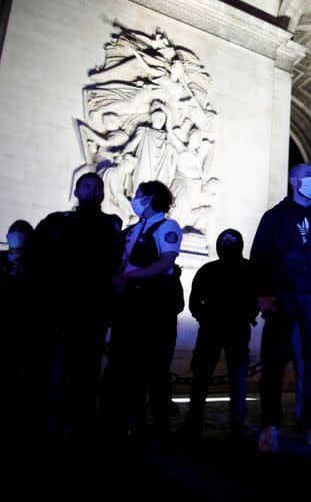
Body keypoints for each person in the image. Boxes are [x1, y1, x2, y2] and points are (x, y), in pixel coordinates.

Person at [250, 163, 311, 451]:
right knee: (274, 364)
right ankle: (269, 427)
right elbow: (259, 257)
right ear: (293, 181)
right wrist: (261, 295)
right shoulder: (274, 217)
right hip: (281, 297)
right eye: (307, 176)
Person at [26, 173, 123, 441]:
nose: (93, 191)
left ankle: (81, 424)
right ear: (77, 190)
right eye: (88, 186)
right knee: (55, 369)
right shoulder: (56, 222)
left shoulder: (110, 226)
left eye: (98, 187)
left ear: (103, 195)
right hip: (60, 310)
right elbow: (35, 257)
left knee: (88, 372)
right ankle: (52, 422)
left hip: (92, 312)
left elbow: (114, 266)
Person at [108, 180, 183, 443]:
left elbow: (165, 262)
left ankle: (161, 426)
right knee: (130, 366)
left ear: (150, 199)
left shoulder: (168, 227)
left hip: (154, 306)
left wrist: (131, 276)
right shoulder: (132, 230)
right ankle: (133, 421)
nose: (134, 198)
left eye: (139, 195)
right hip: (129, 304)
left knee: (157, 366)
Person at [183, 229, 259, 438]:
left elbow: (255, 297)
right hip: (219, 327)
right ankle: (211, 419)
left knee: (227, 376)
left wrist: (205, 316)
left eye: (230, 241)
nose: (227, 244)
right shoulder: (244, 269)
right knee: (211, 375)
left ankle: (203, 419)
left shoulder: (239, 269)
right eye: (224, 240)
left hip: (225, 327)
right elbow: (195, 300)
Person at [2, 220, 35, 440]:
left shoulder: (35, 266)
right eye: (15, 231)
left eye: (22, 233)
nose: (17, 236)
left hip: (19, 329)